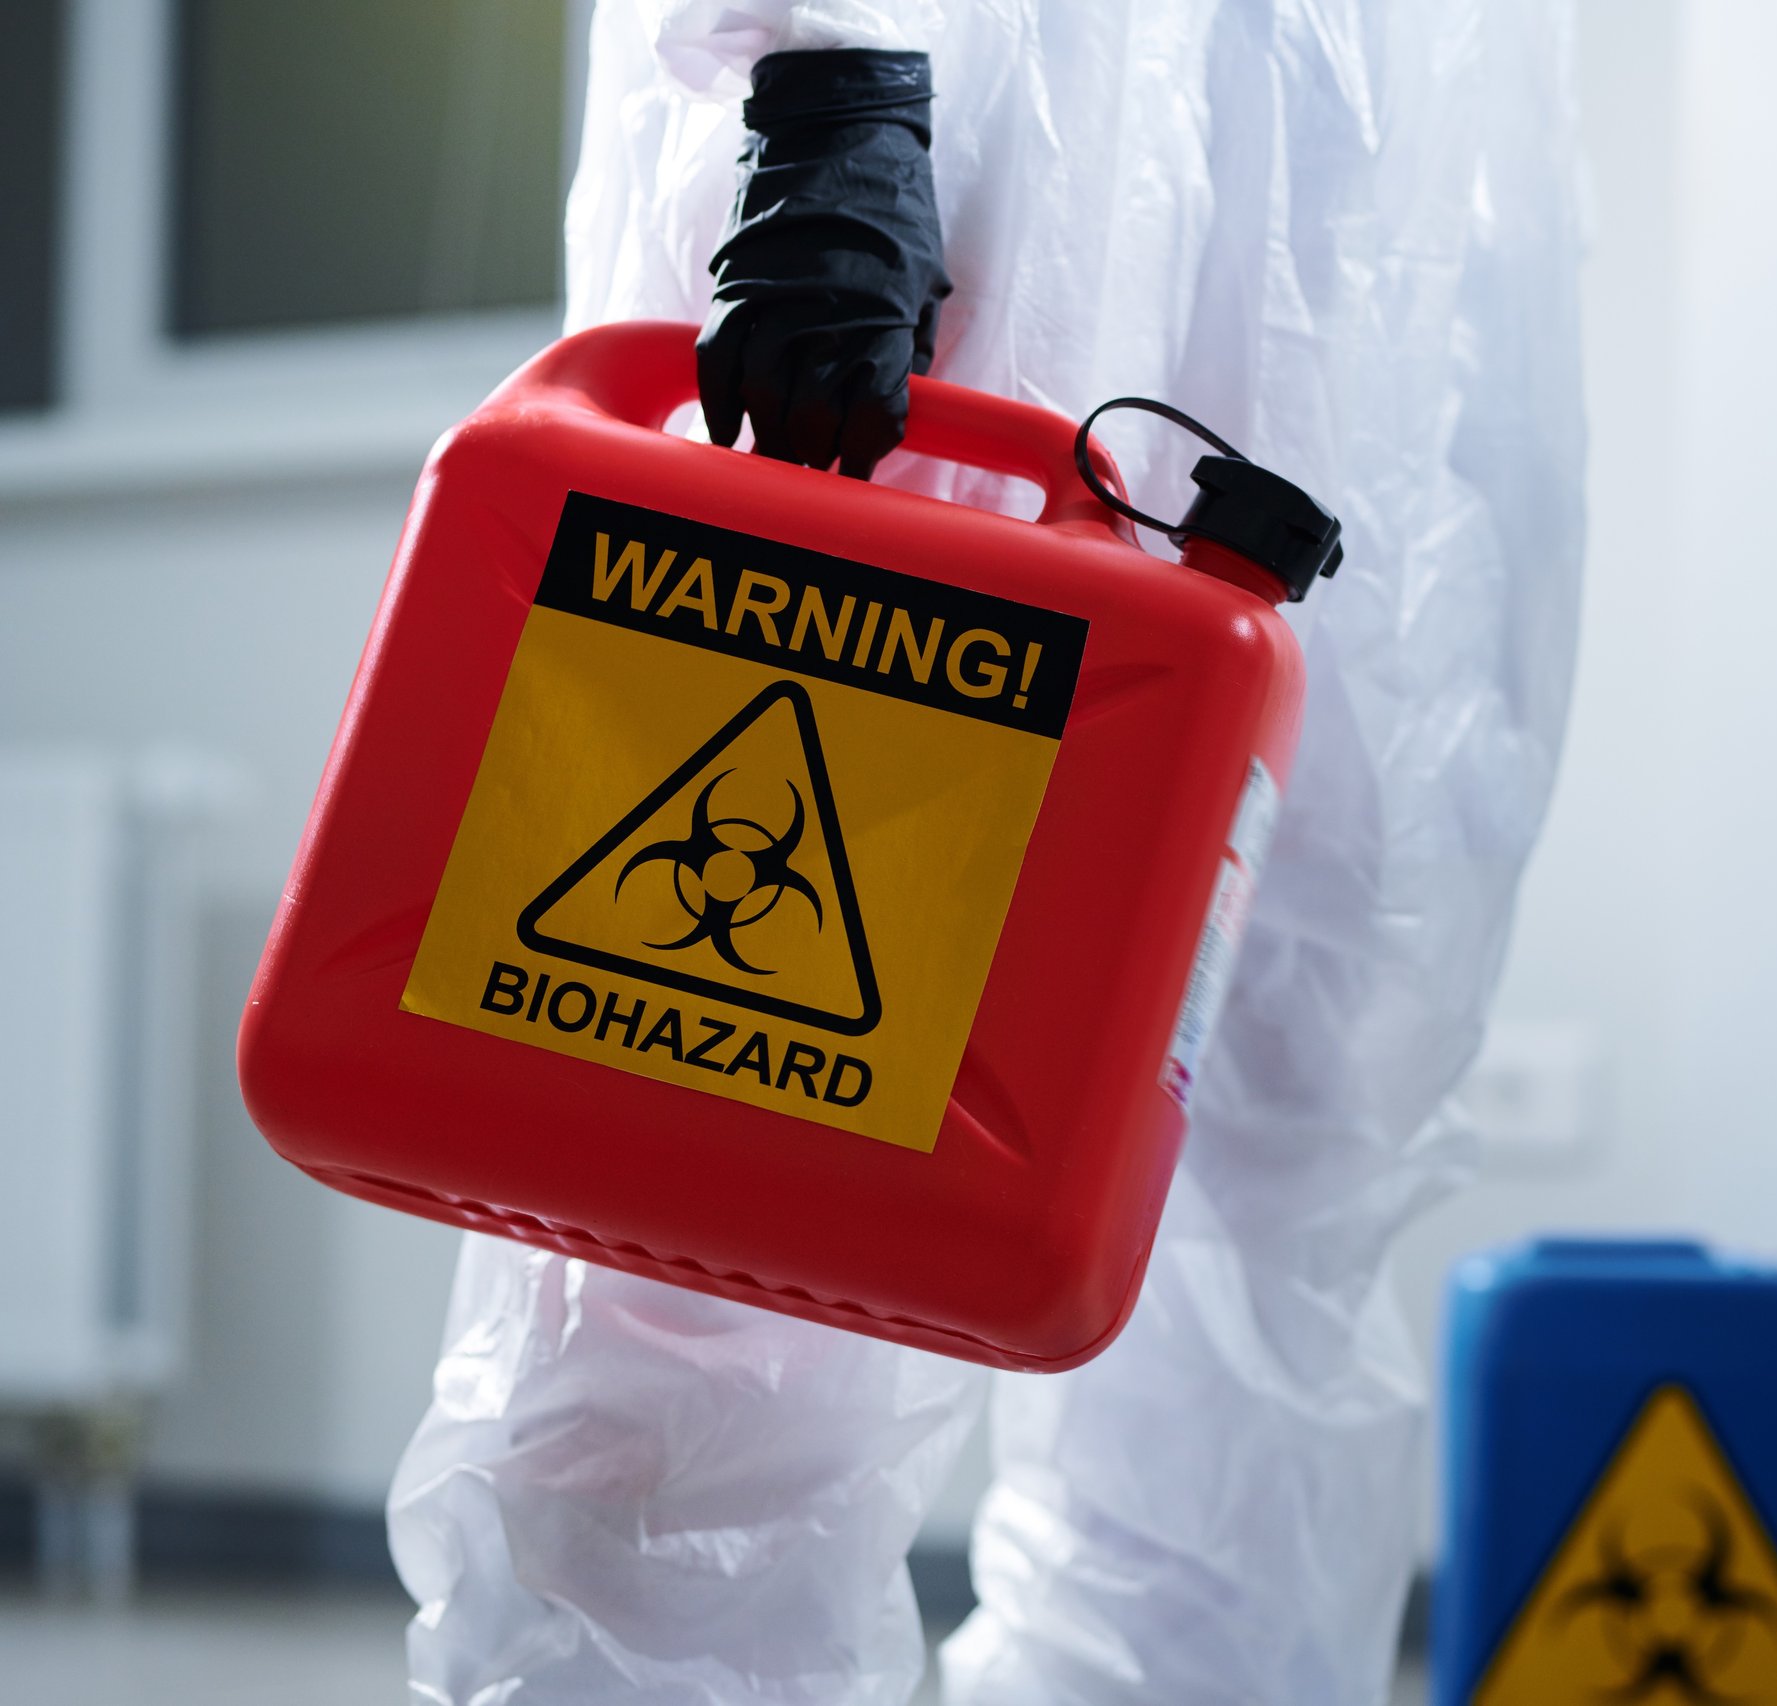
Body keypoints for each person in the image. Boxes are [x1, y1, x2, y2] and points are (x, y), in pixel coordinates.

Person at [389, 2, 1585, 1701]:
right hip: (995, 100)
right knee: (726, 1136)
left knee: (1271, 1101)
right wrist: (831, 71)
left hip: (1384, 180)